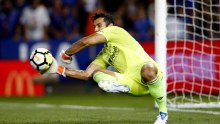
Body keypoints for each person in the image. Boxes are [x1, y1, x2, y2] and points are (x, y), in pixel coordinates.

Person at [43, 13, 168, 124]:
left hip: (148, 74)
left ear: (110, 25)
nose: (96, 29)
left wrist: (66, 54)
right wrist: (57, 68)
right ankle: (118, 86)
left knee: (148, 68)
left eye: (99, 25)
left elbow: (86, 42)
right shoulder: (103, 55)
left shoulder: (115, 30)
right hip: (132, 84)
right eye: (94, 27)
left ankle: (163, 114)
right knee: (95, 73)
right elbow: (86, 74)